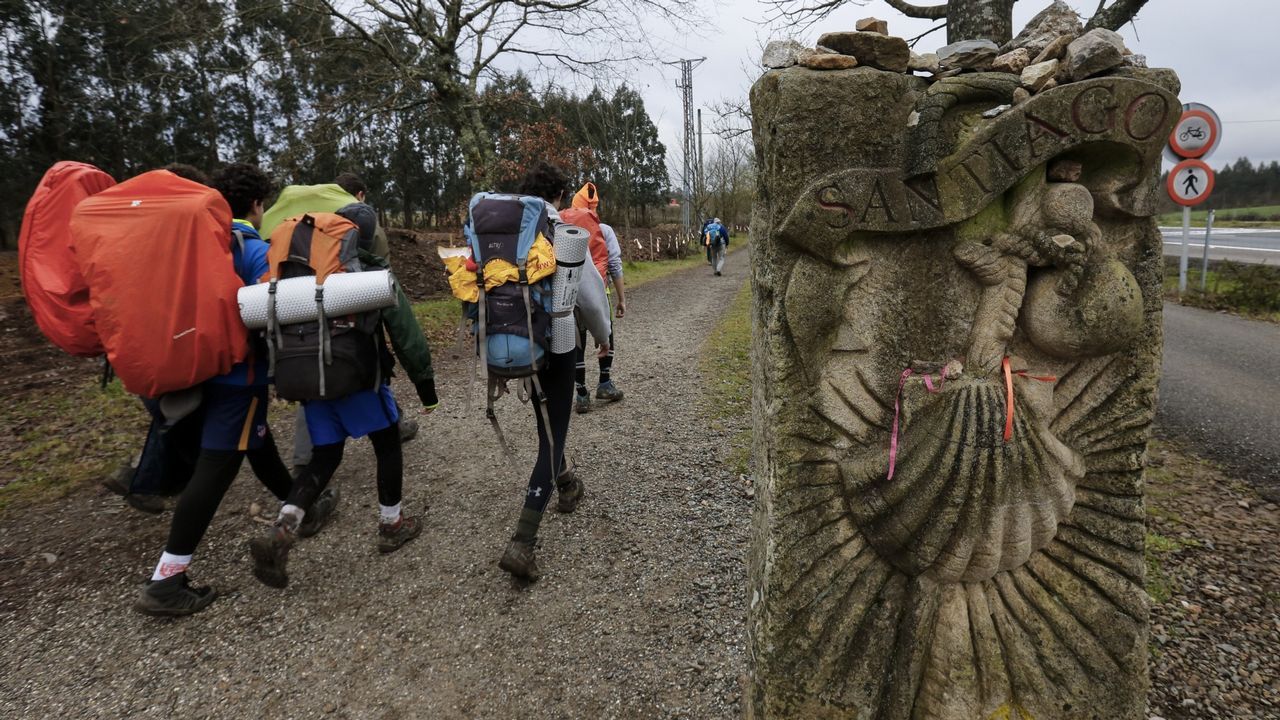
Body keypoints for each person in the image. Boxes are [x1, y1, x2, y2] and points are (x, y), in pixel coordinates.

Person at [134, 163, 305, 616]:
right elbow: (272, 306)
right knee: (217, 468)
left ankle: (304, 501)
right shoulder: (246, 245)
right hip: (237, 378)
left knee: (256, 441)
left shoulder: (186, 244)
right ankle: (166, 581)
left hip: (190, 369)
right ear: (255, 204)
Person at [248, 202, 439, 589]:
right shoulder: (367, 273)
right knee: (387, 442)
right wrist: (425, 387)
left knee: (324, 456)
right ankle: (392, 524)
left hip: (307, 379)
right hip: (354, 375)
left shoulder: (296, 277)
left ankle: (284, 527)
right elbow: (406, 333)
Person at [498, 162, 612, 582]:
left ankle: (565, 482)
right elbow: (589, 296)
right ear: (561, 196)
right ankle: (523, 541)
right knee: (555, 431)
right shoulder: (557, 227)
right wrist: (603, 336)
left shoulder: (508, 228)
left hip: (511, 337)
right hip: (558, 340)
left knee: (547, 418)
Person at [284, 172, 418, 478]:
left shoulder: (297, 234)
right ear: (358, 195)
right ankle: (390, 431)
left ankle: (304, 468)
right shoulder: (365, 227)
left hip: (300, 330)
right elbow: (381, 282)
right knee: (368, 383)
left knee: (312, 383)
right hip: (352, 331)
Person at [102, 163, 213, 514]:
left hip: (128, 340)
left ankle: (156, 477)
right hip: (163, 342)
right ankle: (145, 480)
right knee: (175, 414)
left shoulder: (133, 233)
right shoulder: (175, 235)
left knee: (173, 413)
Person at [560, 183, 627, 414]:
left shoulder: (559, 225)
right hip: (599, 293)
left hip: (568, 297)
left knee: (577, 342)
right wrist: (621, 299)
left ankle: (580, 394)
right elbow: (615, 265)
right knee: (606, 334)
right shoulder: (603, 229)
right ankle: (605, 383)